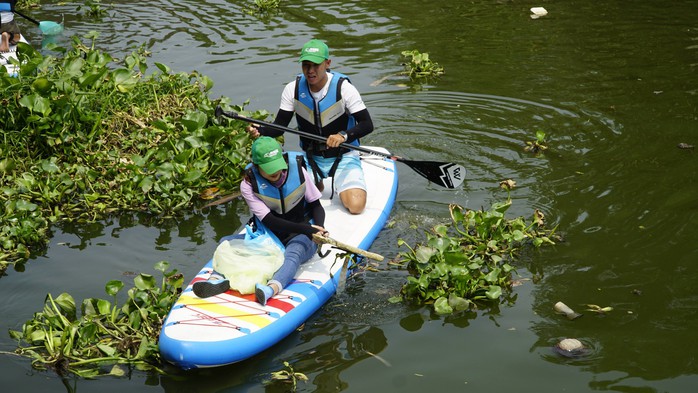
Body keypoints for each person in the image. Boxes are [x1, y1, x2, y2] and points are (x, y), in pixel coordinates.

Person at [194, 136, 329, 305]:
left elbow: (316, 205)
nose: (276, 172)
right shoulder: (248, 184)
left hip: (301, 233)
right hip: (269, 234)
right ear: (257, 167)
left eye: (278, 166)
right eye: (269, 168)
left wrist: (318, 229)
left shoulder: (298, 170)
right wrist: (308, 229)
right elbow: (270, 221)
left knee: (293, 252)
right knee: (226, 242)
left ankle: (270, 289)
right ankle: (217, 279)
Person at [247, 39, 374, 215]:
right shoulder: (292, 89)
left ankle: (341, 182)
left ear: (327, 63)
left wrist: (343, 136)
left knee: (356, 207)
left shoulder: (344, 88)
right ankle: (317, 182)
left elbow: (367, 124)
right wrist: (260, 130)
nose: (310, 71)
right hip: (310, 157)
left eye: (316, 65)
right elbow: (279, 128)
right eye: (306, 65)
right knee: (290, 199)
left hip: (343, 155)